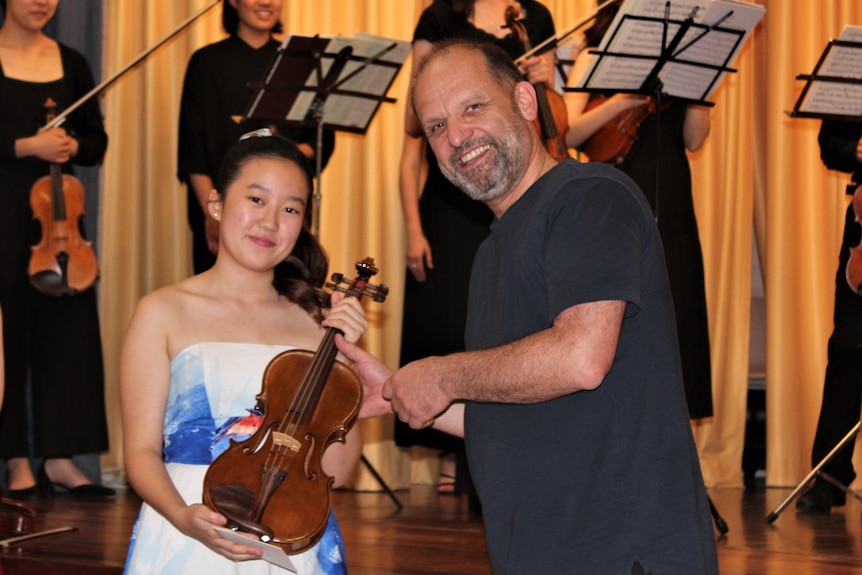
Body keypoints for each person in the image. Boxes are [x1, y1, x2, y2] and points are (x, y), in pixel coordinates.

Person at [339, 39, 719, 574]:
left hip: (624, 553)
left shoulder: (590, 196)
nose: (457, 137)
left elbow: (580, 358)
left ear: (524, 100)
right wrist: (402, 391)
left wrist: (444, 376)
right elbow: (511, 410)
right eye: (436, 127)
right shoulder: (490, 252)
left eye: (472, 107)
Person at [121, 132, 368, 574]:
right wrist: (183, 518)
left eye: (290, 208)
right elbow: (139, 451)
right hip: (186, 525)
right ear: (215, 203)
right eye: (256, 199)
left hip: (290, 529)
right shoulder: (161, 311)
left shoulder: (319, 322)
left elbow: (338, 471)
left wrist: (347, 360)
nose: (270, 222)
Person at [398, 0, 556, 496]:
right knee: (457, 321)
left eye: (473, 106)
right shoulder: (440, 16)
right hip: (451, 201)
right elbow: (414, 117)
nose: (458, 126)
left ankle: (502, 453)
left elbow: (549, 118)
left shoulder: (535, 15)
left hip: (511, 181)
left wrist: (547, 76)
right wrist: (412, 228)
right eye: (446, 121)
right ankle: (460, 456)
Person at [564, 0, 714, 419]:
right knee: (617, 318)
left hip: (672, 201)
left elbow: (695, 139)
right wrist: (621, 100)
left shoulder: (678, 60)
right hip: (612, 199)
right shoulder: (592, 58)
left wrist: (702, 86)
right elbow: (569, 131)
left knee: (677, 317)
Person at [0, 0, 114, 500]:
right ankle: (16, 459)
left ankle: (63, 458)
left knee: (67, 337)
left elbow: (96, 140)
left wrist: (72, 148)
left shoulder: (72, 61)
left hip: (59, 219)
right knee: (8, 337)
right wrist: (27, 147)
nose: (42, 1)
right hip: (3, 215)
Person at [178, 0, 336, 274]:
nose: (266, 2)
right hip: (225, 210)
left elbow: (321, 141)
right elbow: (193, 152)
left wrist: (291, 153)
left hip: (283, 219)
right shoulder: (206, 62)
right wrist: (212, 213)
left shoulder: (303, 63)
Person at [796, 121, 862, 512]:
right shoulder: (852, 68)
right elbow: (830, 145)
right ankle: (829, 476)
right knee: (846, 346)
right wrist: (856, 149)